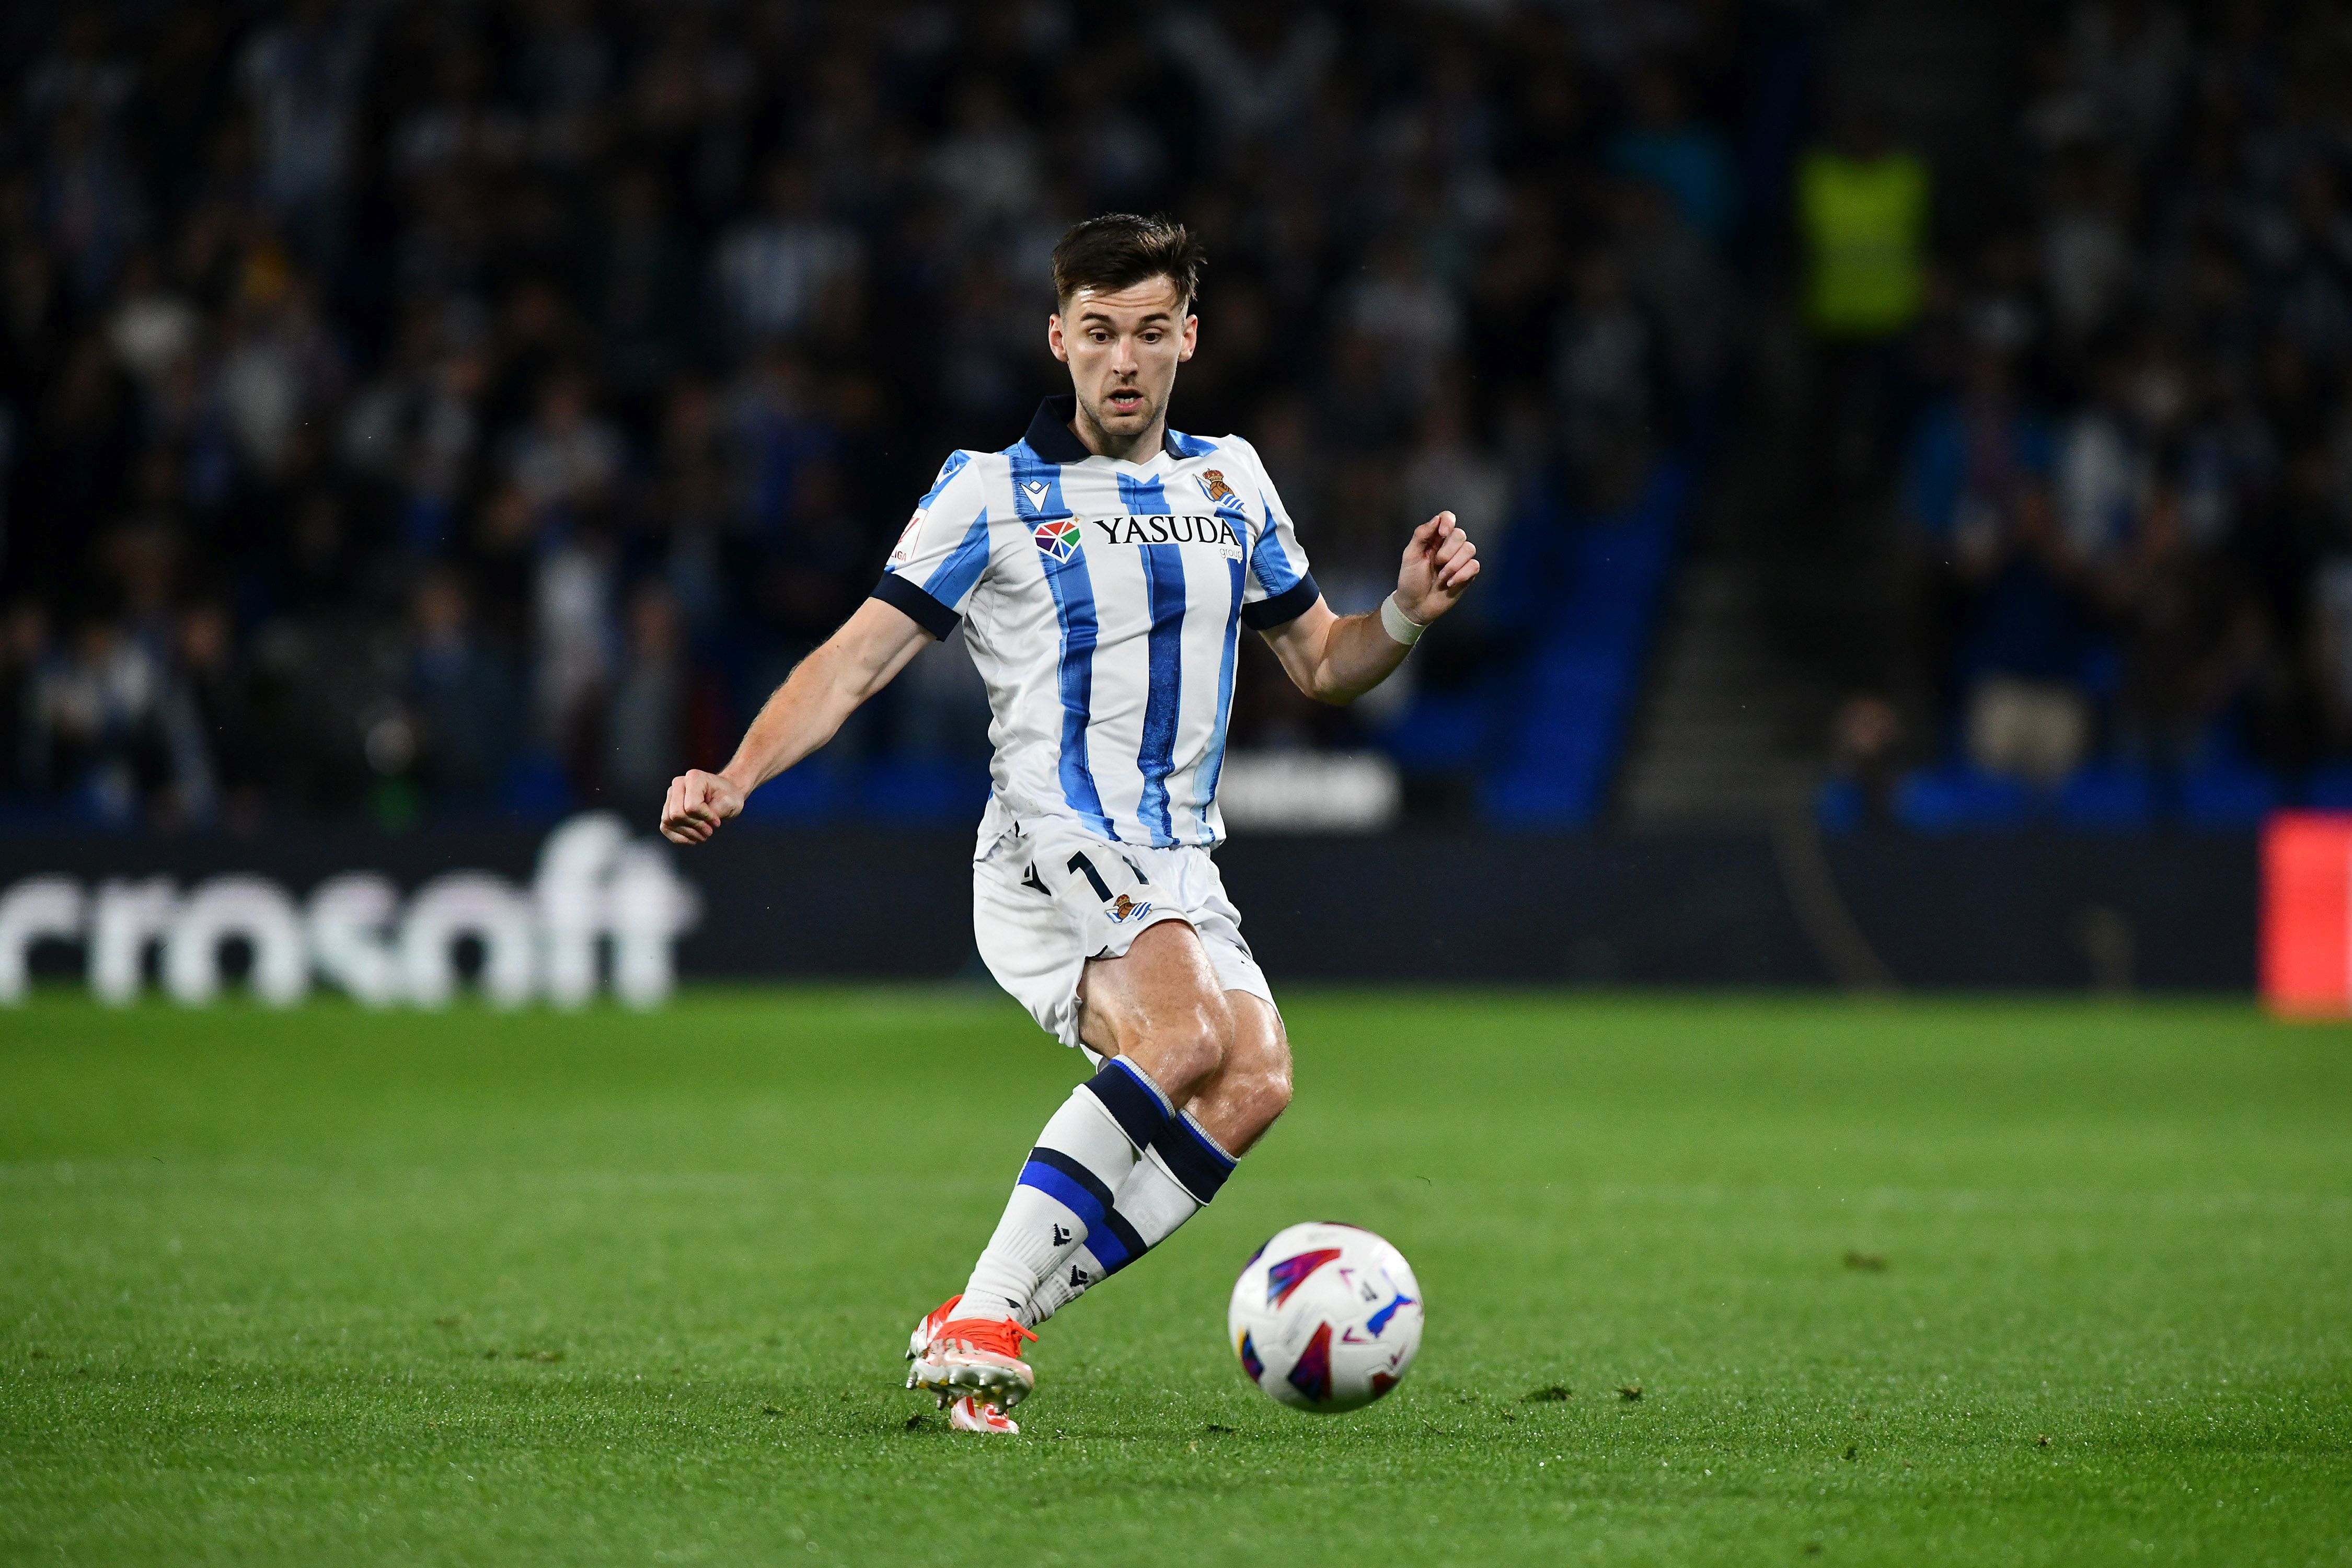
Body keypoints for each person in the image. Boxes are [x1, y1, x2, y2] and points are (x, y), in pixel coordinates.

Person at [658, 214, 1480, 1434]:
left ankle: (990, 1319)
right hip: (1052, 839)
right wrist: (734, 776)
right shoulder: (987, 491)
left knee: (1252, 1082)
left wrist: (1404, 614)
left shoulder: (1231, 479)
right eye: (1098, 334)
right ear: (1060, 339)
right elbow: (852, 664)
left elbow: (1319, 663)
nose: (1125, 359)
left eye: (1151, 331)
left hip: (1180, 856)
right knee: (1187, 1029)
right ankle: (989, 1311)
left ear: (1188, 338)